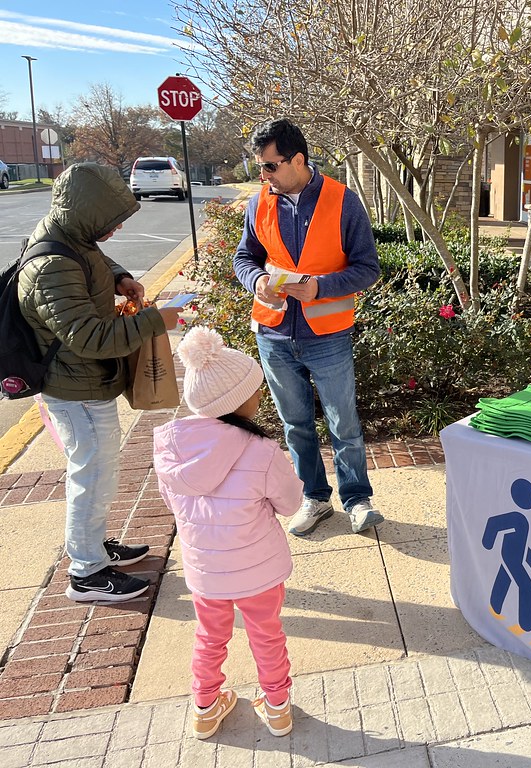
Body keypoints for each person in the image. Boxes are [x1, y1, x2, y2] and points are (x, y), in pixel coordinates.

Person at [17, 162, 182, 603]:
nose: (116, 229)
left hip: (84, 384)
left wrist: (120, 277)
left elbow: (93, 261)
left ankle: (93, 547)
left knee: (99, 472)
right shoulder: (52, 265)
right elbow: (89, 337)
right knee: (91, 476)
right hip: (75, 390)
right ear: (86, 213)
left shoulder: (70, 235)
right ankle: (86, 572)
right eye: (109, 221)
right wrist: (155, 321)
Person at [234, 118, 384, 536]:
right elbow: (244, 258)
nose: (264, 175)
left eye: (270, 166)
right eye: (260, 167)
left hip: (328, 335)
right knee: (295, 424)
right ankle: (315, 498)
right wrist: (256, 281)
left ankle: (357, 500)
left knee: (343, 423)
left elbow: (367, 268)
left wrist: (319, 287)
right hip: (274, 333)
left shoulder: (343, 201)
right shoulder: (259, 203)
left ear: (297, 160)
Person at [153, 326, 303, 740]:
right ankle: (277, 707)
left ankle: (204, 708)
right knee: (267, 636)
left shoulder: (171, 449)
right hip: (257, 570)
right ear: (239, 401)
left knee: (209, 636)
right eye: (256, 390)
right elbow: (291, 504)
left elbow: (172, 503)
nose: (261, 395)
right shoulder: (261, 450)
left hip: (205, 571)